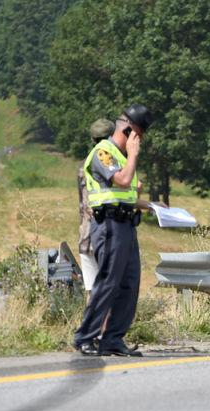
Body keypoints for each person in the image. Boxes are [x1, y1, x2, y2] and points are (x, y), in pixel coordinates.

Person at [73, 103, 161, 356]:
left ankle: (113, 339)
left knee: (129, 283)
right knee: (108, 282)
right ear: (129, 131)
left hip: (126, 224)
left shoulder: (121, 158)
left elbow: (125, 194)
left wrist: (152, 206)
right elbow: (120, 180)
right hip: (109, 225)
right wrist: (133, 154)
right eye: (138, 137)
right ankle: (85, 337)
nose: (139, 142)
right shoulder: (104, 152)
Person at [77, 118, 116, 300]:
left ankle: (92, 326)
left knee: (91, 294)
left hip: (86, 236)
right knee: (108, 292)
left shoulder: (84, 165)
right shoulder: (105, 161)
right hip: (102, 234)